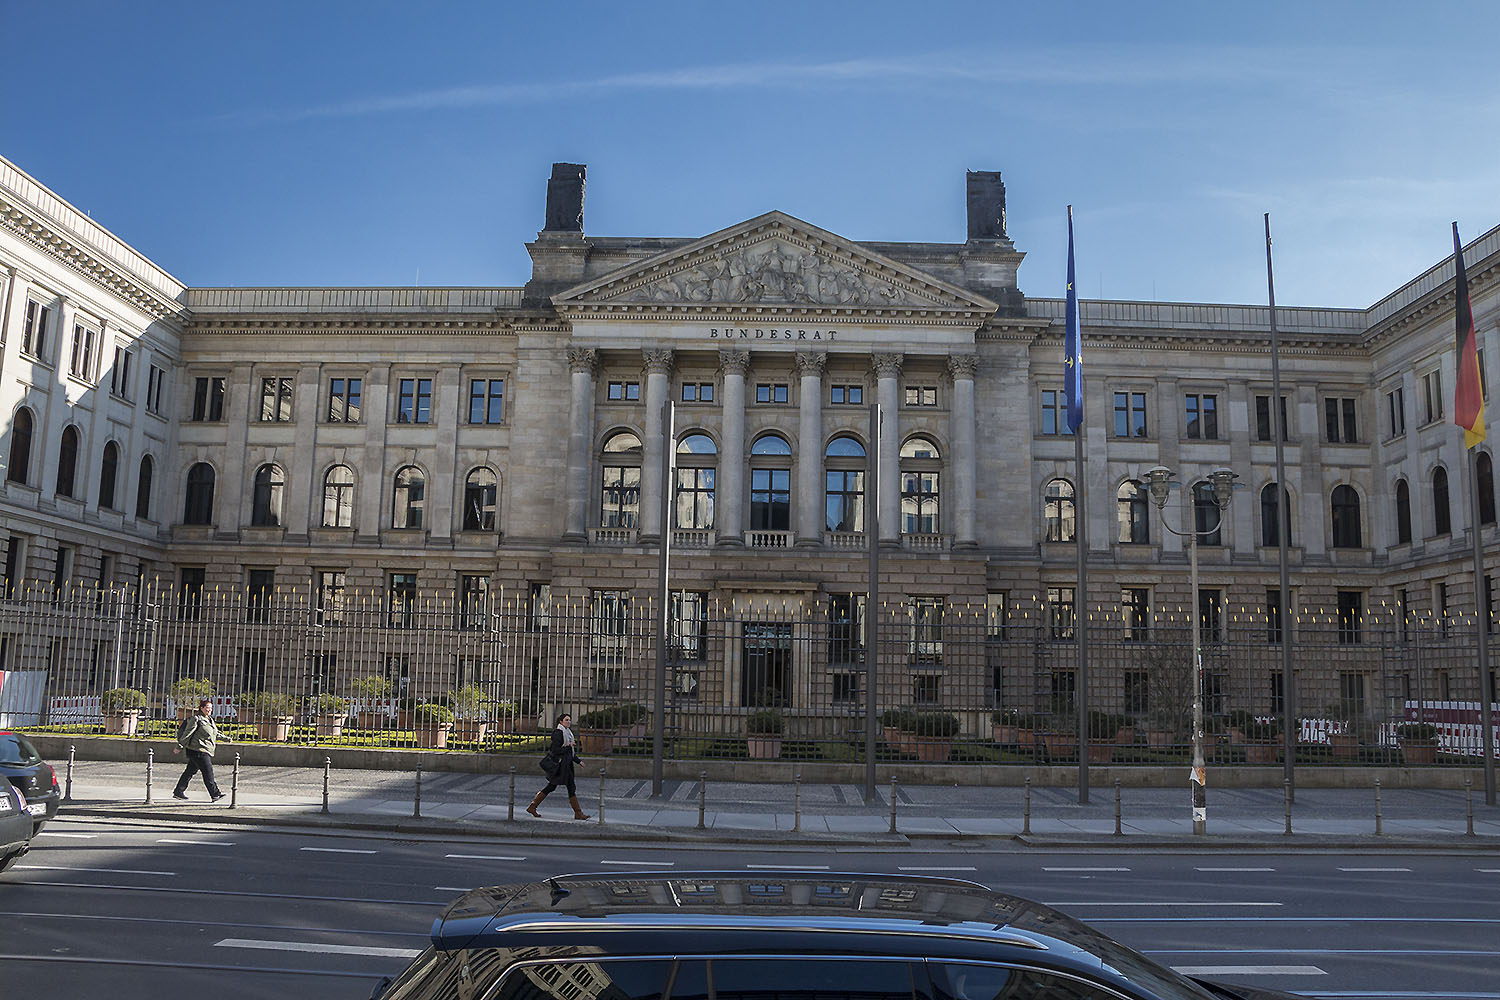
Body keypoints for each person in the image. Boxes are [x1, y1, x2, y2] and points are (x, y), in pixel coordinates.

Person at [527, 712, 589, 820]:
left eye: (569, 720)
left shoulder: (568, 733)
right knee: (554, 787)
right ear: (561, 722)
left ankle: (533, 806)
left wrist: (578, 761)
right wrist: (569, 746)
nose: (569, 722)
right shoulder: (558, 733)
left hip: (566, 766)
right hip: (560, 767)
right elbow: (555, 750)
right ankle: (533, 806)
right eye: (566, 720)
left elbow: (570, 753)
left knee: (565, 787)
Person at [173, 698, 224, 802]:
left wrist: (226, 739)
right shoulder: (196, 719)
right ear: (201, 708)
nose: (209, 710)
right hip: (198, 750)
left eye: (210, 708)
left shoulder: (209, 720)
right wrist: (179, 746)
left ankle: (178, 791)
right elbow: (187, 734)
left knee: (189, 772)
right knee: (208, 772)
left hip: (203, 750)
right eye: (207, 708)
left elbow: (215, 733)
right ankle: (215, 794)